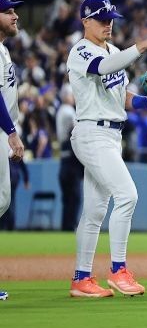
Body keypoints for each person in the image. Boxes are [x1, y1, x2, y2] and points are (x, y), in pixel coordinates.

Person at [67, 0, 147, 298]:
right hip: (91, 133)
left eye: (110, 18)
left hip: (111, 135)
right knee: (127, 195)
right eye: (101, 19)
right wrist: (144, 44)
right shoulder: (81, 51)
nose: (108, 23)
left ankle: (81, 279)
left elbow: (121, 95)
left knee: (94, 211)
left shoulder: (113, 49)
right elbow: (102, 68)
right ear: (85, 21)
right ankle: (118, 270)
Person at [0, 0, 27, 301]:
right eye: (7, 11)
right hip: (1, 131)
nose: (15, 16)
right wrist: (11, 132)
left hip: (3, 130)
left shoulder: (3, 50)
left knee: (2, 200)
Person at [56, 85, 84, 231]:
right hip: (71, 158)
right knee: (74, 196)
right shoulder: (68, 111)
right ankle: (70, 226)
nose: (73, 98)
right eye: (71, 95)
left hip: (64, 158)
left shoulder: (60, 110)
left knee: (67, 198)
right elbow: (77, 131)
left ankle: (65, 225)